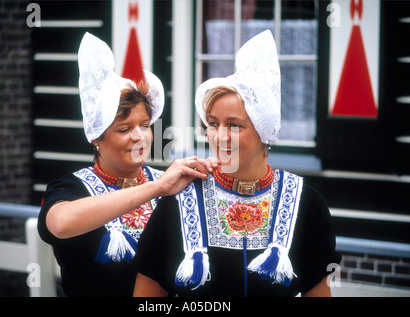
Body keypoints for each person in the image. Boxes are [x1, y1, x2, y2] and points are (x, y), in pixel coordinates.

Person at [132, 30, 341, 297]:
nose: (220, 136)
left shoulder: (307, 205)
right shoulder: (179, 198)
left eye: (234, 125)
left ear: (264, 131)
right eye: (213, 124)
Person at [37, 32, 215, 297]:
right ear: (96, 138)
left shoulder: (169, 181)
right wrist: (157, 188)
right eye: (124, 129)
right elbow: (60, 224)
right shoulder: (72, 187)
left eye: (144, 125)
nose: (139, 136)